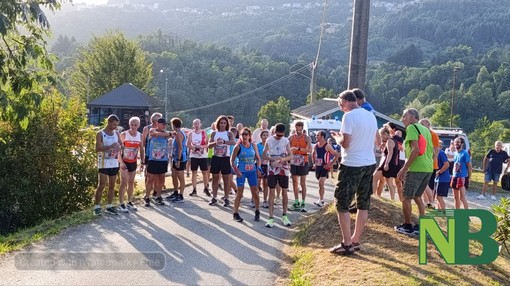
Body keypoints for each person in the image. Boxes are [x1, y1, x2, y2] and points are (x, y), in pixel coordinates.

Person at [329, 90, 379, 255]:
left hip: (352, 164)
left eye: (340, 104)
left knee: (341, 203)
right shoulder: (370, 115)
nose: (340, 107)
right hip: (369, 162)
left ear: (344, 102)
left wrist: (337, 139)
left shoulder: (348, 116)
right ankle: (356, 240)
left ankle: (346, 243)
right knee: (363, 203)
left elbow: (346, 143)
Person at [395, 108, 433, 236]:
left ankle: (407, 225)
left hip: (416, 168)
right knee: (417, 196)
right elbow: (431, 151)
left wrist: (404, 168)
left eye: (404, 116)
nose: (402, 119)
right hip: (428, 168)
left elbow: (415, 150)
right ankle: (423, 225)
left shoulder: (412, 128)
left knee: (406, 198)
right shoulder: (426, 130)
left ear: (411, 117)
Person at [262, 123, 293, 228]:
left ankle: (284, 215)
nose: (279, 137)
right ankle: (271, 217)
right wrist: (272, 160)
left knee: (284, 191)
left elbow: (290, 155)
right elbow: (263, 155)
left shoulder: (286, 141)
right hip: (272, 169)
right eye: (278, 135)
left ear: (284, 133)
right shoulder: (269, 140)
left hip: (283, 169)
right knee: (271, 191)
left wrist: (282, 159)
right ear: (274, 132)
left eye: (281, 135)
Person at [231, 128, 263, 222]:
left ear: (249, 136)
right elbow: (231, 160)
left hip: (252, 172)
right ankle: (235, 213)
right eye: (242, 134)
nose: (244, 136)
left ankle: (257, 211)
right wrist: (236, 170)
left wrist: (258, 167)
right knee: (239, 193)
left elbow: (258, 158)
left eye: (246, 134)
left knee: (255, 193)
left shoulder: (253, 145)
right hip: (242, 172)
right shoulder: (238, 146)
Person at [94, 114, 123, 215]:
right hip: (103, 163)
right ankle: (97, 206)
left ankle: (109, 206)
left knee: (112, 185)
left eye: (116, 125)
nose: (115, 127)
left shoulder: (117, 133)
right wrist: (109, 146)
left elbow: (121, 145)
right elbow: (97, 149)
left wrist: (119, 147)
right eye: (114, 124)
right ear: (109, 122)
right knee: (101, 185)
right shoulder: (100, 133)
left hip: (114, 162)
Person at [208, 115, 236, 206]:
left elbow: (233, 142)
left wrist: (224, 142)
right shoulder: (214, 133)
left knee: (226, 179)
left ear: (227, 124)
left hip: (225, 158)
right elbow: (209, 145)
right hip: (216, 158)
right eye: (221, 123)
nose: (223, 125)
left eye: (224, 123)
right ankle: (214, 197)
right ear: (218, 123)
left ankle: (226, 198)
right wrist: (216, 143)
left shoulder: (229, 133)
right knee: (215, 179)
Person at [118, 116, 143, 213]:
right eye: (132, 124)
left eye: (135, 125)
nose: (133, 126)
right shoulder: (124, 134)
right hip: (124, 161)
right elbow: (118, 150)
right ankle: (121, 203)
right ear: (129, 124)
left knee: (131, 182)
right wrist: (121, 162)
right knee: (123, 182)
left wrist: (142, 161)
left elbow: (141, 149)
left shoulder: (140, 135)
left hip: (133, 162)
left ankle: (129, 201)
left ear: (139, 125)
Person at [145, 118, 171, 207]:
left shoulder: (166, 134)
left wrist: (168, 134)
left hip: (163, 159)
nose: (164, 126)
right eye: (162, 124)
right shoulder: (152, 130)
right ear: (157, 123)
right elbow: (154, 134)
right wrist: (169, 133)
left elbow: (170, 136)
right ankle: (147, 197)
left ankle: (158, 196)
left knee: (161, 179)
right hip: (153, 159)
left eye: (165, 124)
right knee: (150, 179)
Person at [289, 121, 312, 212]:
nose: (298, 131)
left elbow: (309, 150)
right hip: (294, 161)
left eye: (300, 130)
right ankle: (296, 202)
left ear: (302, 129)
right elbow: (287, 148)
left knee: (303, 183)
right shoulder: (291, 138)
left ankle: (303, 202)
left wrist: (298, 149)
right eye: (297, 129)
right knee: (295, 182)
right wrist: (290, 151)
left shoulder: (307, 138)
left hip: (303, 161)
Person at [312, 131, 339, 207]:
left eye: (318, 135)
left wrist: (330, 164)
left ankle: (321, 200)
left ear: (322, 137)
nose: (316, 137)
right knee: (320, 184)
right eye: (316, 135)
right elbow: (313, 154)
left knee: (321, 182)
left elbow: (336, 155)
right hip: (318, 167)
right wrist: (314, 163)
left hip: (325, 167)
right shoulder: (316, 145)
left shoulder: (327, 146)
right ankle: (321, 199)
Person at [374, 126, 400, 201]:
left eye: (381, 135)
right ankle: (392, 199)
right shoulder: (393, 141)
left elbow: (390, 153)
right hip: (390, 163)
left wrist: (387, 163)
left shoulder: (389, 141)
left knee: (374, 178)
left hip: (387, 163)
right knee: (389, 182)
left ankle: (373, 195)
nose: (381, 138)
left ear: (385, 134)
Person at [419, 119, 440, 210]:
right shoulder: (421, 134)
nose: (421, 126)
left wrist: (431, 161)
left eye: (422, 124)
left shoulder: (433, 135)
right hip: (423, 163)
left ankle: (431, 203)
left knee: (427, 185)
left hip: (431, 164)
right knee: (422, 184)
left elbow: (436, 150)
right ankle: (425, 202)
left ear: (428, 125)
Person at [187, 118, 210, 197]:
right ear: (193, 125)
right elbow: (188, 144)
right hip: (194, 155)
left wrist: (201, 147)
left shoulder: (204, 133)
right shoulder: (191, 133)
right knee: (194, 172)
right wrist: (193, 148)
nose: (196, 125)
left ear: (200, 124)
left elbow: (208, 144)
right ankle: (194, 189)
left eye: (198, 123)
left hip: (203, 155)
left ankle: (206, 188)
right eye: (195, 124)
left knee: (204, 172)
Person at [167, 117, 187, 203]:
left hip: (180, 157)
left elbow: (180, 148)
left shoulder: (179, 134)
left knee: (180, 176)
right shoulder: (177, 133)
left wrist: (178, 160)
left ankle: (181, 195)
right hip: (175, 157)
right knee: (174, 175)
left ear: (173, 125)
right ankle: (175, 192)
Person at [141, 112, 162, 195]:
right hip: (148, 154)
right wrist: (142, 156)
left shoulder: (161, 129)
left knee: (157, 174)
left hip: (158, 155)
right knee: (148, 173)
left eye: (158, 120)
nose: (156, 122)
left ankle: (156, 191)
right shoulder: (147, 128)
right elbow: (143, 142)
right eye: (154, 120)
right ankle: (147, 191)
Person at [451, 137, 472, 209]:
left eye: (458, 142)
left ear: (462, 143)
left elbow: (469, 166)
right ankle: (457, 214)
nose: (456, 143)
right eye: (455, 142)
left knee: (462, 198)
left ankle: (466, 215)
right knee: (455, 197)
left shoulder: (465, 153)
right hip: (454, 176)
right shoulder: (455, 153)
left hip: (462, 177)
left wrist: (468, 177)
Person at [435, 141, 450, 211]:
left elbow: (447, 164)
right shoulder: (436, 153)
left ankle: (443, 212)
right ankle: (439, 210)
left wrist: (439, 172)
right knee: (438, 196)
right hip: (439, 178)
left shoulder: (441, 153)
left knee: (439, 197)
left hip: (444, 178)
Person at [257, 130, 270, 208]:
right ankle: (254, 199)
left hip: (267, 166)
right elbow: (256, 156)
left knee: (265, 184)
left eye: (267, 135)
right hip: (259, 165)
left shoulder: (270, 145)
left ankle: (265, 200)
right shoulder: (258, 145)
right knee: (257, 184)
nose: (265, 137)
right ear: (261, 136)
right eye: (264, 135)